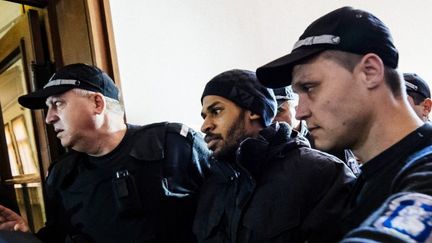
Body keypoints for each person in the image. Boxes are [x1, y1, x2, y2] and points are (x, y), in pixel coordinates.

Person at [256, 6, 432, 242]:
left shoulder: (425, 172)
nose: (300, 112)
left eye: (310, 88)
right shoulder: (369, 180)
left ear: (370, 72)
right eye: (298, 95)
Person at [0, 63, 211, 243]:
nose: (49, 118)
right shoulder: (62, 175)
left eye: (58, 104)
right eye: (48, 107)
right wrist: (26, 236)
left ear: (97, 103)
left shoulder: (174, 144)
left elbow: (228, 213)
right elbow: (58, 235)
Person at [194, 69, 355, 242]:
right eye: (204, 116)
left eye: (216, 111)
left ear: (253, 111)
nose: (205, 126)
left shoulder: (322, 173)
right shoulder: (212, 182)